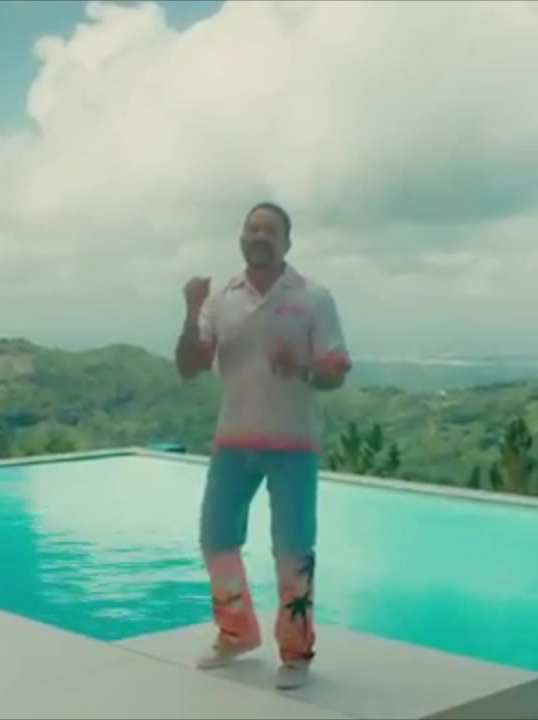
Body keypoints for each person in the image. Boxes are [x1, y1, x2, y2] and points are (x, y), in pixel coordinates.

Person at [174, 201, 352, 690]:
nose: (259, 236)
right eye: (252, 228)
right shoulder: (221, 301)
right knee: (216, 539)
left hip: (294, 443)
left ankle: (295, 651)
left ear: (286, 243)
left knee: (293, 550)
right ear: (241, 238)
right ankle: (237, 633)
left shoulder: (313, 297)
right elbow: (190, 366)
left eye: (269, 230)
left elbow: (336, 369)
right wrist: (190, 311)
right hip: (234, 440)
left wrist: (303, 368)